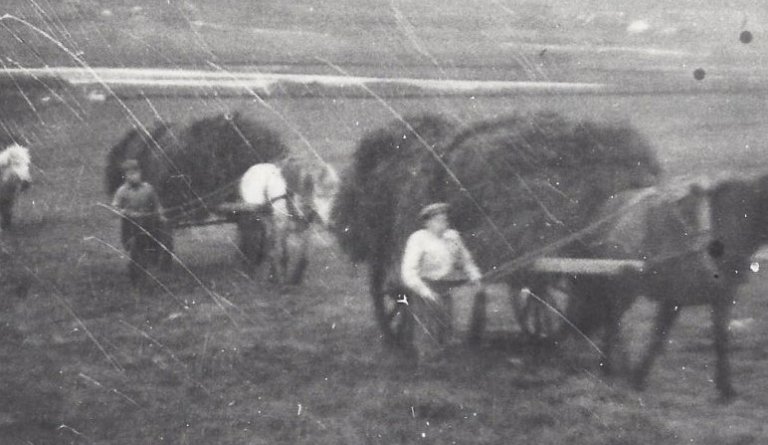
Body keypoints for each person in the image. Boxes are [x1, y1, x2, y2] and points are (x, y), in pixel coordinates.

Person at [401, 202, 483, 359]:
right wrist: (425, 292)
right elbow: (408, 272)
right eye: (438, 220)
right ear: (427, 223)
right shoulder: (418, 239)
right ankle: (426, 360)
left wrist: (475, 276)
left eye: (445, 220)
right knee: (427, 323)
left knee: (445, 321)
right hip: (425, 286)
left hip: (445, 286)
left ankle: (443, 358)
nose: (443, 224)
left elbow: (466, 260)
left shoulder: (452, 236)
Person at [111, 159, 166, 283]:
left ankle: (147, 269)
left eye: (136, 173)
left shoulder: (148, 189)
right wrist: (126, 213)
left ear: (140, 173)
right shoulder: (122, 191)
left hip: (147, 222)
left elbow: (157, 204)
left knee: (150, 246)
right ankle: (135, 271)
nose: (134, 176)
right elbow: (115, 207)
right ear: (125, 176)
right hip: (130, 225)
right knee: (135, 248)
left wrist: (160, 215)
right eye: (130, 174)